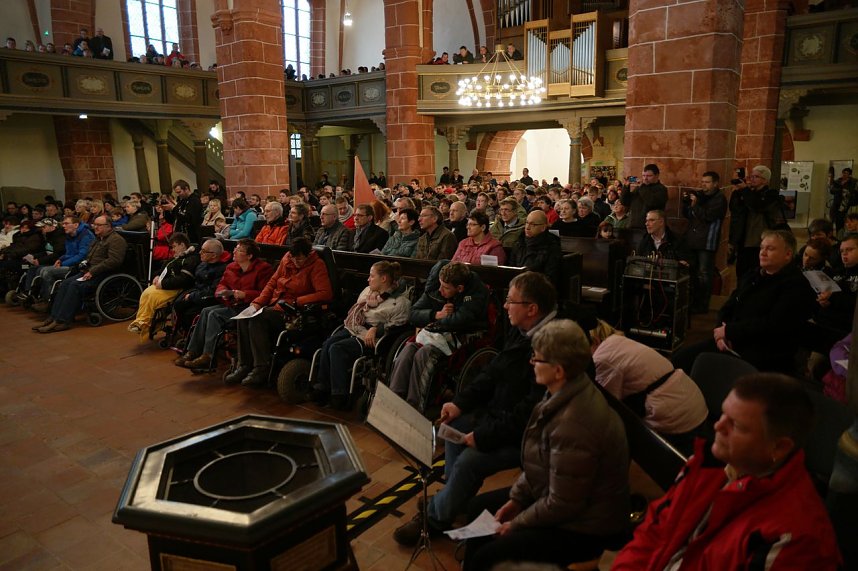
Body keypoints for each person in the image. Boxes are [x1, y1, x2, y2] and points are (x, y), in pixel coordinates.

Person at [613, 373, 842, 570]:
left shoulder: (793, 537)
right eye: (723, 414)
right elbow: (656, 529)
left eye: (737, 425)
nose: (718, 426)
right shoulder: (709, 463)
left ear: (779, 447)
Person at [394, 272, 558, 546]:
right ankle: (453, 499)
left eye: (510, 301)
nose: (504, 306)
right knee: (452, 428)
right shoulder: (523, 331)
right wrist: (460, 403)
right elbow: (493, 372)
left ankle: (434, 520)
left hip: (533, 435)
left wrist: (483, 436)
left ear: (532, 309)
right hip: (501, 414)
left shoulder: (551, 346)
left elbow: (530, 413)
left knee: (471, 461)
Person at [462, 320, 630, 571]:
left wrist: (518, 523)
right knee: (478, 509)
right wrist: (517, 499)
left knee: (488, 556)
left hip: (586, 526)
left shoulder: (575, 423)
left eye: (537, 359)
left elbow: (564, 503)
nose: (532, 363)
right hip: (561, 497)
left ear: (558, 370)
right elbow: (540, 463)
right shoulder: (561, 391)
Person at [672, 230, 815, 375]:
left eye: (770, 249)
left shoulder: (796, 286)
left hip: (763, 352)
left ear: (788, 255)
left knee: (706, 371)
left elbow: (772, 325)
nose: (763, 253)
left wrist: (730, 332)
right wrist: (721, 335)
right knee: (680, 360)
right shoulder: (753, 274)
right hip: (731, 341)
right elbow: (728, 307)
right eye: (761, 248)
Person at [225, 238, 333, 388]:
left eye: (300, 258)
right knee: (245, 316)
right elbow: (272, 283)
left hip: (295, 312)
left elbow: (325, 293)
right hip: (275, 305)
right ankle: (244, 364)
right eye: (294, 258)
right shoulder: (287, 259)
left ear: (307, 255)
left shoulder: (316, 265)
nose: (296, 261)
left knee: (258, 319)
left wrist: (298, 301)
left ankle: (261, 368)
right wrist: (257, 303)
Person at [590, 320, 706, 455]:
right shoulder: (618, 342)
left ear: (595, 340)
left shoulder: (603, 358)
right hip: (692, 406)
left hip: (680, 420)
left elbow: (603, 409)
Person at [388, 261, 490, 409]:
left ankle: (414, 406)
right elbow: (413, 314)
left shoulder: (475, 292)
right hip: (435, 333)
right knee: (408, 349)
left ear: (460, 288)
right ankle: (393, 400)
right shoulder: (436, 287)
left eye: (446, 288)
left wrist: (438, 323)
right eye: (440, 284)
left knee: (424, 353)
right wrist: (436, 315)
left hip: (459, 339)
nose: (440, 290)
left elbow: (462, 320)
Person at [312, 261, 412, 409]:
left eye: (372, 276)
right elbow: (358, 310)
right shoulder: (368, 291)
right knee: (328, 343)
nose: (368, 279)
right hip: (355, 326)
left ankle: (339, 395)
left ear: (383, 278)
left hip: (371, 337)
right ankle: (322, 387)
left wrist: (376, 328)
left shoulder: (401, 302)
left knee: (337, 349)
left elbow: (398, 326)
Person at [177, 240, 273, 369]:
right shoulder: (231, 267)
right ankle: (193, 350)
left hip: (248, 307)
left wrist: (245, 294)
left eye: (239, 250)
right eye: (235, 249)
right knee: (206, 311)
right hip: (231, 303)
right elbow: (222, 284)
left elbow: (265, 293)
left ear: (249, 256)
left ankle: (208, 355)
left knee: (214, 314)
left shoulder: (263, 269)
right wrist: (222, 292)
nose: (234, 251)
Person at [33, 215, 126, 334]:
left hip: (103, 274)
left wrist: (93, 271)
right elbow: (88, 256)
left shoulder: (116, 240)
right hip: (89, 271)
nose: (95, 227)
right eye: (94, 224)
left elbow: (114, 261)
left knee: (74, 286)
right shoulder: (98, 239)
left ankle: (63, 320)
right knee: (65, 283)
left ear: (108, 226)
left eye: (98, 225)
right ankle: (53, 317)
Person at [127, 233, 198, 339]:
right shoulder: (175, 258)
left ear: (182, 245)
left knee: (153, 297)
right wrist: (157, 276)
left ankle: (146, 323)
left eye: (174, 246)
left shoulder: (191, 259)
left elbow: (184, 280)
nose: (172, 250)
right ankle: (141, 322)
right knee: (146, 294)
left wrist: (163, 284)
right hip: (165, 285)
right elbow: (161, 270)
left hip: (178, 289)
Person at [728, 165, 787, 278]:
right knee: (741, 272)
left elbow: (757, 206)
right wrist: (737, 192)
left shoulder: (771, 194)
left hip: (759, 241)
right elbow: (734, 208)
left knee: (756, 272)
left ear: (765, 180)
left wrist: (745, 190)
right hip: (744, 241)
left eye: (756, 177)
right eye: (751, 176)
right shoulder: (748, 193)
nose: (752, 179)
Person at [683, 171, 728, 313]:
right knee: (692, 273)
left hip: (707, 242)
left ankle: (702, 306)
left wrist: (695, 205)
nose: (703, 185)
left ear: (715, 183)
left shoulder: (720, 199)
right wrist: (687, 203)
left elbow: (708, 216)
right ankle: (691, 303)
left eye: (707, 182)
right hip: (693, 240)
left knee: (704, 274)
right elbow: (688, 215)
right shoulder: (700, 196)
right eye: (702, 182)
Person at [28, 216, 94, 306]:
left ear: (75, 225)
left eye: (66, 223)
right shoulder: (70, 235)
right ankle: (44, 298)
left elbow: (81, 256)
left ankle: (49, 302)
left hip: (80, 265)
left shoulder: (86, 235)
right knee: (41, 270)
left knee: (47, 271)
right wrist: (60, 259)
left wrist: (63, 263)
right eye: (63, 223)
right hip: (70, 262)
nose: (63, 226)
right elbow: (68, 253)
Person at [508, 210, 562, 282]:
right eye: (527, 223)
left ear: (543, 228)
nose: (527, 227)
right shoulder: (519, 242)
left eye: (533, 224)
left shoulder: (552, 247)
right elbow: (511, 267)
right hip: (517, 284)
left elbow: (550, 277)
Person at [621, 164, 668, 229]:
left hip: (649, 227)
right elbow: (624, 202)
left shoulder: (661, 189)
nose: (645, 178)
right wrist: (626, 187)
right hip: (632, 225)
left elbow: (651, 202)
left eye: (649, 176)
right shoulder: (640, 188)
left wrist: (642, 186)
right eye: (643, 175)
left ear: (657, 175)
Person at [163, 180, 203, 244]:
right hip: (180, 236)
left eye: (179, 192)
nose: (178, 195)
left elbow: (189, 218)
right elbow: (173, 219)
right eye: (177, 193)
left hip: (191, 236)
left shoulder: (194, 200)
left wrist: (174, 208)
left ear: (186, 188)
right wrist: (167, 211)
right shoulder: (182, 201)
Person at [828, 167, 857, 235]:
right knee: (831, 218)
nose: (844, 174)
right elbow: (832, 190)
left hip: (844, 204)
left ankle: (839, 236)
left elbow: (855, 193)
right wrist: (840, 190)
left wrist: (849, 195)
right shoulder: (838, 181)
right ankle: (830, 235)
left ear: (849, 175)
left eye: (846, 173)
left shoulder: (853, 182)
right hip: (836, 202)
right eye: (843, 173)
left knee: (840, 221)